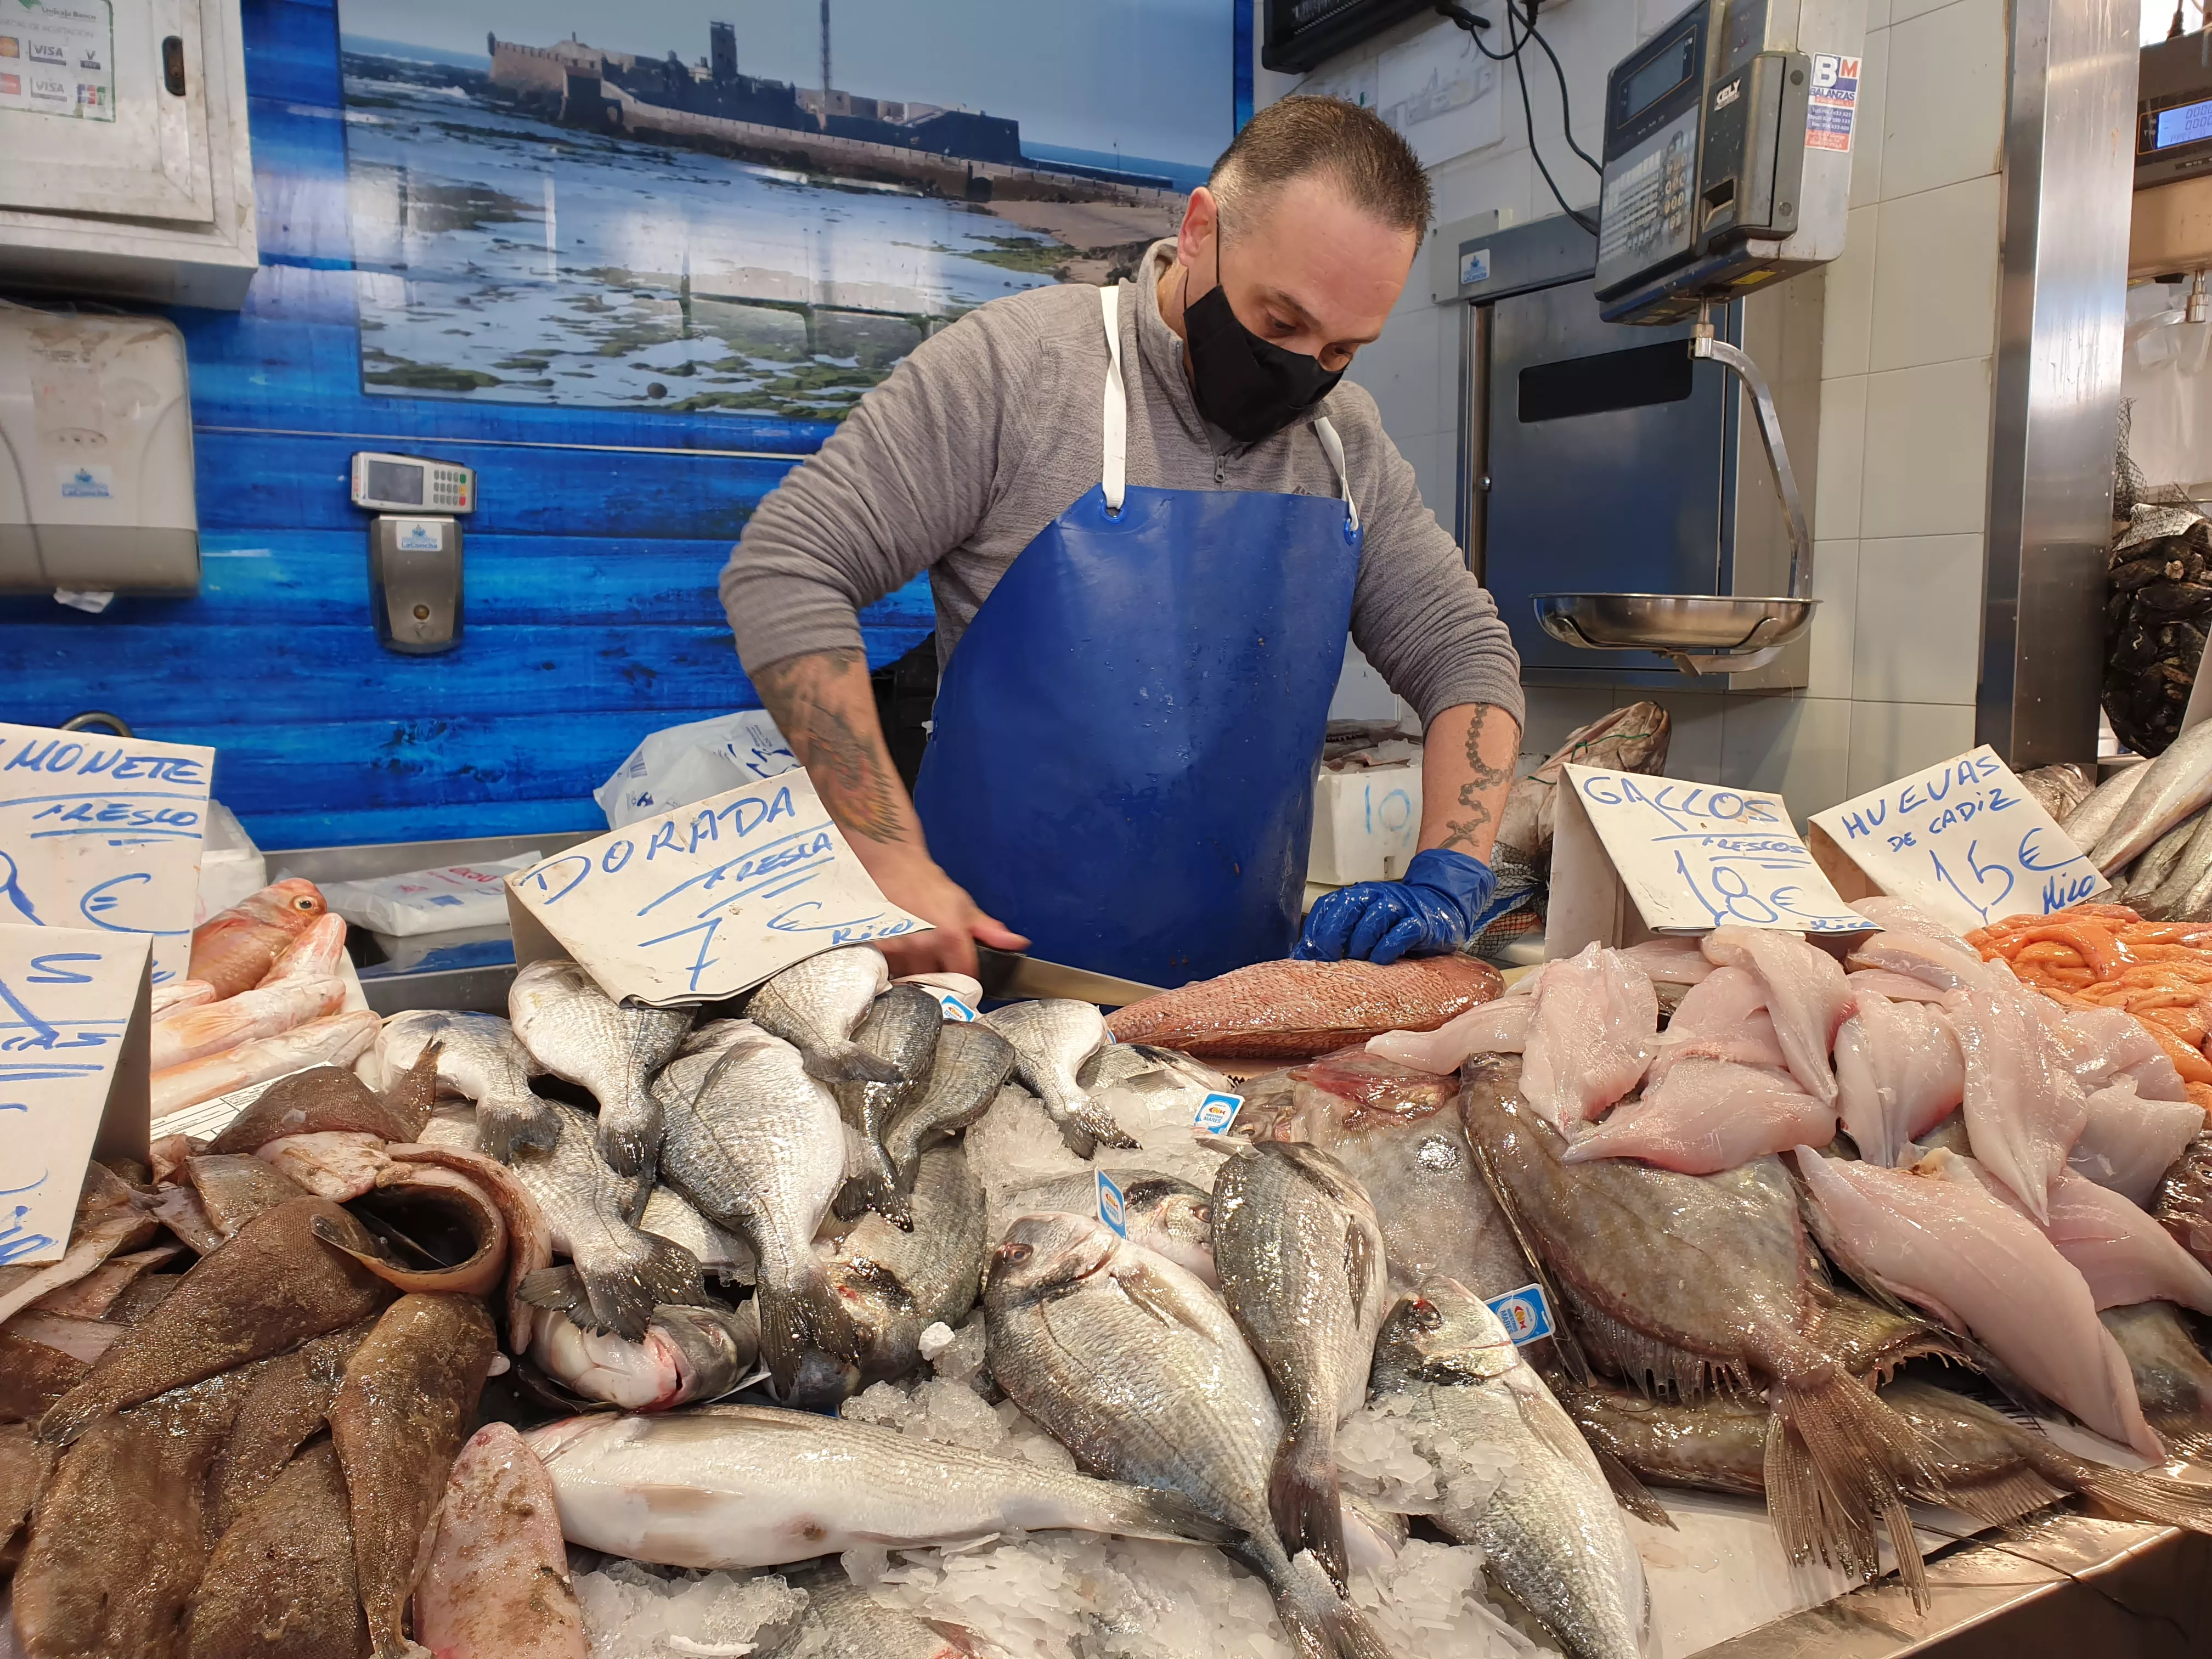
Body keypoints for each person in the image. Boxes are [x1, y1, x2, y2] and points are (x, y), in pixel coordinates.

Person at [721, 96, 1524, 983]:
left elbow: (1464, 652)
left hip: (1241, 993)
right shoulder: (1019, 369)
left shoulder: (1347, 444)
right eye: (1279, 322)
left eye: (1341, 350)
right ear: (1198, 229)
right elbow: (788, 568)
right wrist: (889, 860)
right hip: (997, 984)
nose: (1303, 369)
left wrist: (1452, 873)